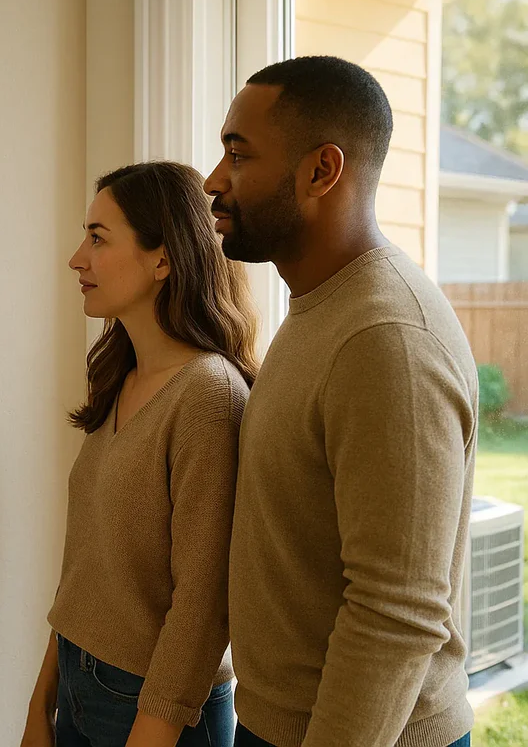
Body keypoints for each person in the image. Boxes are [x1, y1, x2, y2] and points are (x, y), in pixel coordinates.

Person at [204, 56, 476, 747]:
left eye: (238, 154)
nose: (213, 180)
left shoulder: (388, 338)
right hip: (278, 724)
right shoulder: (322, 307)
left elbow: (398, 612)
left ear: (323, 170)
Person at [21, 161, 259, 747]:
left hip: (157, 705)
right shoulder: (120, 378)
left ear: (163, 258)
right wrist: (41, 700)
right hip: (81, 680)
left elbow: (203, 602)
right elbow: (89, 565)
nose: (77, 258)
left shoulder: (208, 393)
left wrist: (151, 729)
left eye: (98, 238)